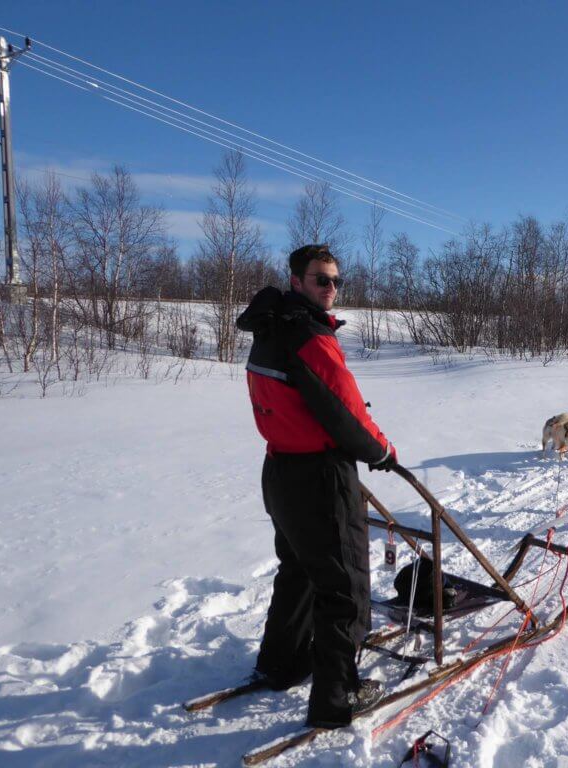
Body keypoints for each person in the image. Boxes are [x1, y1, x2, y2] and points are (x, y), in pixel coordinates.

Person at [235, 243, 397, 728]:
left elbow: (313, 403)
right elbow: (344, 412)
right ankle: (338, 697)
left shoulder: (270, 328)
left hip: (281, 472)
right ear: (297, 282)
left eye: (335, 281)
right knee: (344, 588)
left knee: (300, 572)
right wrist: (382, 451)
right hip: (319, 477)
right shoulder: (309, 337)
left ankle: (280, 663)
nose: (330, 289)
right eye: (321, 280)